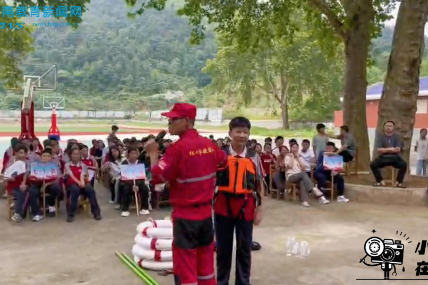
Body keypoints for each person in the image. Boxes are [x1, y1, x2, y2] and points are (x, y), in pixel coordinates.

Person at [146, 103, 226, 285]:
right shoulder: (209, 145)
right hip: (206, 215)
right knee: (206, 268)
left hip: (185, 217)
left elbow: (157, 176)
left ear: (187, 121)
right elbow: (223, 162)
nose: (169, 122)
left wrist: (153, 154)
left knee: (186, 269)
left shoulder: (177, 149)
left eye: (173, 119)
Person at [215, 116, 264, 285]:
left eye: (245, 132)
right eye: (238, 131)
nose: (242, 135)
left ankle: (243, 282)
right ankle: (222, 281)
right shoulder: (220, 155)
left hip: (246, 205)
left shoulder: (253, 156)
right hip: (222, 205)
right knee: (223, 248)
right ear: (230, 133)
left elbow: (259, 184)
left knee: (244, 248)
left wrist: (260, 209)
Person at [64, 148, 101, 222]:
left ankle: (96, 213)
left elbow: (82, 175)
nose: (76, 156)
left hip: (82, 182)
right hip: (72, 183)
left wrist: (82, 184)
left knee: (90, 190)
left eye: (77, 154)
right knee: (75, 190)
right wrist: (79, 183)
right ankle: (71, 214)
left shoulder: (83, 165)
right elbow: (71, 175)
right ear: (70, 155)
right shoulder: (67, 165)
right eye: (74, 154)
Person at [370, 121, 408, 187]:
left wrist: (385, 149)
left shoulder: (397, 137)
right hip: (383, 157)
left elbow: (398, 149)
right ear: (384, 127)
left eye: (390, 126)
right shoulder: (380, 136)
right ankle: (380, 181)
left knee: (404, 165)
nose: (388, 127)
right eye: (387, 126)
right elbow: (379, 150)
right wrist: (391, 149)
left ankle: (398, 182)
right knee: (373, 165)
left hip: (394, 158)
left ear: (393, 128)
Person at [28, 148, 61, 218]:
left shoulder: (54, 166)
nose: (46, 158)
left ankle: (51, 206)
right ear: (41, 157)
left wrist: (46, 185)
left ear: (51, 158)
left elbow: (57, 178)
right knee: (32, 191)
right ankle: (36, 213)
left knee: (56, 188)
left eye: (48, 156)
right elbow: (31, 176)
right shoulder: (35, 165)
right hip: (38, 184)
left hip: (50, 184)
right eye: (44, 156)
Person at [119, 146, 150, 217]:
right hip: (127, 182)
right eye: (132, 153)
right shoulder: (124, 163)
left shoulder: (139, 163)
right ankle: (125, 209)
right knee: (125, 189)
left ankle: (144, 208)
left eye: (135, 153)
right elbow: (123, 177)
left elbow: (142, 177)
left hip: (138, 183)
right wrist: (132, 185)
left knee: (145, 188)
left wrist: (137, 185)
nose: (134, 155)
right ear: (128, 154)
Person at [6, 144, 30, 222]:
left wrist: (23, 183)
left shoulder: (27, 163)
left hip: (23, 185)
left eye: (22, 153)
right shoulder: (10, 163)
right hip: (12, 186)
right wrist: (9, 178)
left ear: (26, 154)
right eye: (19, 152)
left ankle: (18, 211)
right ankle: (18, 213)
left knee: (26, 191)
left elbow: (26, 175)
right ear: (15, 153)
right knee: (22, 193)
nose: (20, 154)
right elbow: (5, 175)